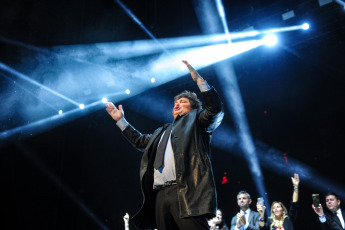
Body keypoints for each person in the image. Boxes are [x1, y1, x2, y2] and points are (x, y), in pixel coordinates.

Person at [106, 60, 224, 230]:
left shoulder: (197, 121)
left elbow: (214, 110)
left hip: (184, 192)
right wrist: (121, 121)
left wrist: (200, 81)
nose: (177, 103)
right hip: (160, 195)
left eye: (183, 101)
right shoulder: (161, 131)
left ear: (193, 108)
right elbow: (140, 141)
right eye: (176, 102)